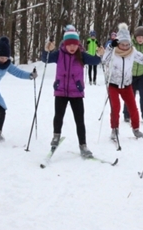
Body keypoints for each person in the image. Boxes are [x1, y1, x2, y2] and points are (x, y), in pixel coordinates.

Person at [41, 25, 101, 158]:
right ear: (65, 44)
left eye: (75, 45)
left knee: (79, 120)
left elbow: (96, 61)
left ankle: (83, 146)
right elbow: (45, 59)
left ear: (78, 44)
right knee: (58, 116)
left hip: (76, 92)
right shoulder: (58, 54)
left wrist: (99, 54)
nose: (72, 47)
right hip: (61, 91)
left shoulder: (82, 55)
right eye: (69, 45)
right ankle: (56, 136)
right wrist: (47, 50)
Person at [103, 23, 143, 141]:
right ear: (118, 43)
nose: (125, 46)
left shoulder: (132, 51)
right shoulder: (113, 52)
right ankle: (114, 129)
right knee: (115, 107)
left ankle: (136, 129)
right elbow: (104, 60)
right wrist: (110, 48)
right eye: (122, 44)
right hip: (113, 84)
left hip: (127, 85)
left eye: (127, 44)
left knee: (133, 108)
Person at [122, 26, 143, 126]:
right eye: (138, 37)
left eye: (142, 37)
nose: (140, 39)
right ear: (135, 37)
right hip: (131, 74)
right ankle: (127, 114)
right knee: (130, 95)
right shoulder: (130, 44)